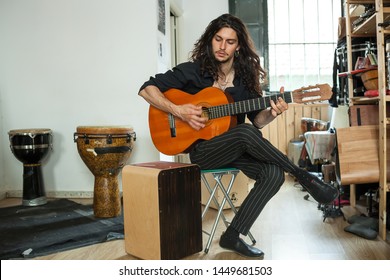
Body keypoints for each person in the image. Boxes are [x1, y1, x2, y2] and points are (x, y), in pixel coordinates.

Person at [138, 13, 338, 258]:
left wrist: (274, 112)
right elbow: (146, 88)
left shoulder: (245, 80)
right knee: (243, 132)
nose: (222, 47)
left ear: (238, 45)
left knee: (272, 173)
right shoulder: (193, 71)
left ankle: (232, 235)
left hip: (235, 147)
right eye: (218, 39)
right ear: (210, 40)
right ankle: (302, 175)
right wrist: (178, 110)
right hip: (204, 152)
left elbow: (257, 121)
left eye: (230, 42)